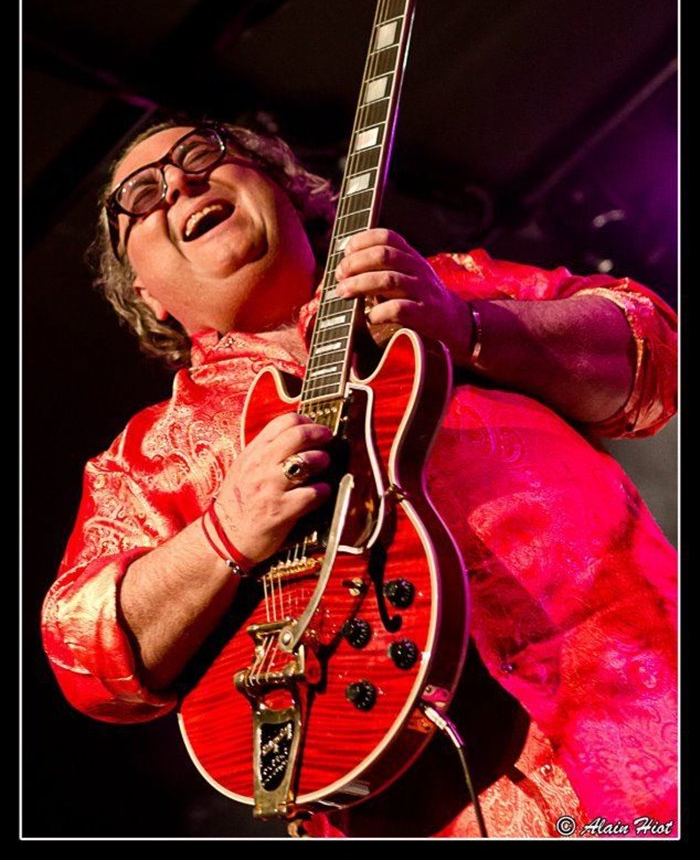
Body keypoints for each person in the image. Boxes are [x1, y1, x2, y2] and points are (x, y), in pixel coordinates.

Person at [41, 117, 678, 839]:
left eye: (203, 154)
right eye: (141, 195)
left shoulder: (444, 284)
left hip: (653, 720)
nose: (181, 184)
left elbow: (655, 352)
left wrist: (469, 327)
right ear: (145, 292)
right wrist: (224, 533)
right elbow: (83, 655)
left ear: (291, 192)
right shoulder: (147, 456)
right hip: (431, 814)